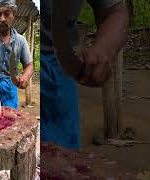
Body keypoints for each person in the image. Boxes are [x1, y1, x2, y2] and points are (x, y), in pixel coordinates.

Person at [41, 0, 128, 150]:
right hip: (7, 63)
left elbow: (115, 12)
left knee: (60, 164)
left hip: (57, 70)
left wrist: (103, 49)